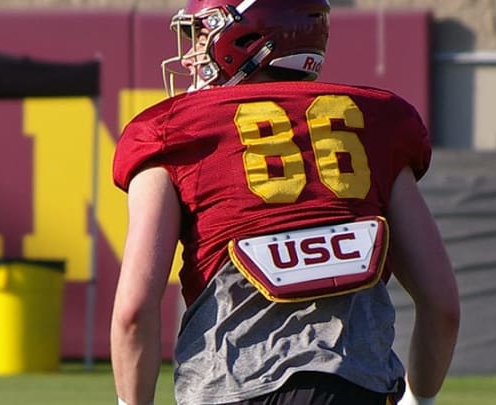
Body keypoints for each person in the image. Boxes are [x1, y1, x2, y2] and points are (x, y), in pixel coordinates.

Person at [110, 1, 460, 404]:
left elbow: (134, 311)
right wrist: (419, 400)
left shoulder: (171, 130)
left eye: (201, 36)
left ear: (247, 38)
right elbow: (442, 305)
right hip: (354, 385)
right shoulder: (376, 124)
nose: (189, 56)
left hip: (231, 388)